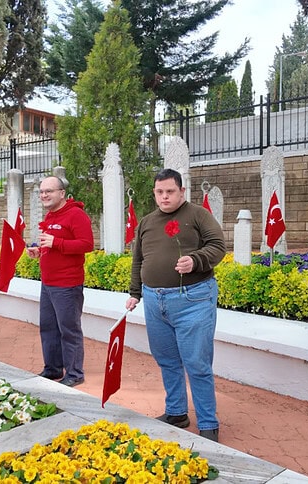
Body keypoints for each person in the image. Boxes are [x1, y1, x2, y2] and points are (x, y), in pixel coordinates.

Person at [125, 168, 226, 442]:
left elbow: (218, 245)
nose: (165, 196)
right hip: (155, 302)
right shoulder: (146, 222)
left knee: (196, 362)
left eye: (170, 191)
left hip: (193, 299)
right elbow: (138, 260)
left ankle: (208, 423)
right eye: (160, 192)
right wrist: (135, 292)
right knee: (167, 360)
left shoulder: (197, 215)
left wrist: (196, 260)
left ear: (182, 191)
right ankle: (176, 413)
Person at [26, 176, 94, 387]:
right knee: (48, 327)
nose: (44, 195)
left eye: (49, 191)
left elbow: (86, 244)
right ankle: (53, 368)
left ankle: (74, 373)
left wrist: (57, 242)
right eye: (42, 192)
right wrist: (40, 251)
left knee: (69, 329)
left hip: (67, 284)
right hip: (48, 282)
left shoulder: (76, 214)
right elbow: (53, 246)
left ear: (62, 193)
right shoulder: (52, 215)